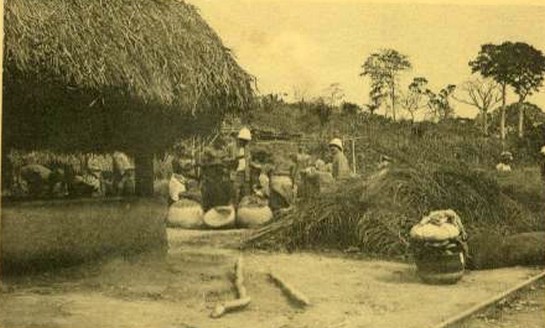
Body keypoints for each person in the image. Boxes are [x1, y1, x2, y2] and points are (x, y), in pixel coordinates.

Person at [231, 127, 252, 205]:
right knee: (235, 194)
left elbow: (248, 161)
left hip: (245, 173)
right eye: (242, 140)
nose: (244, 142)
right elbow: (231, 159)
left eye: (245, 141)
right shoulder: (233, 147)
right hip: (236, 173)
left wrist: (248, 176)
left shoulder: (247, 149)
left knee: (246, 194)